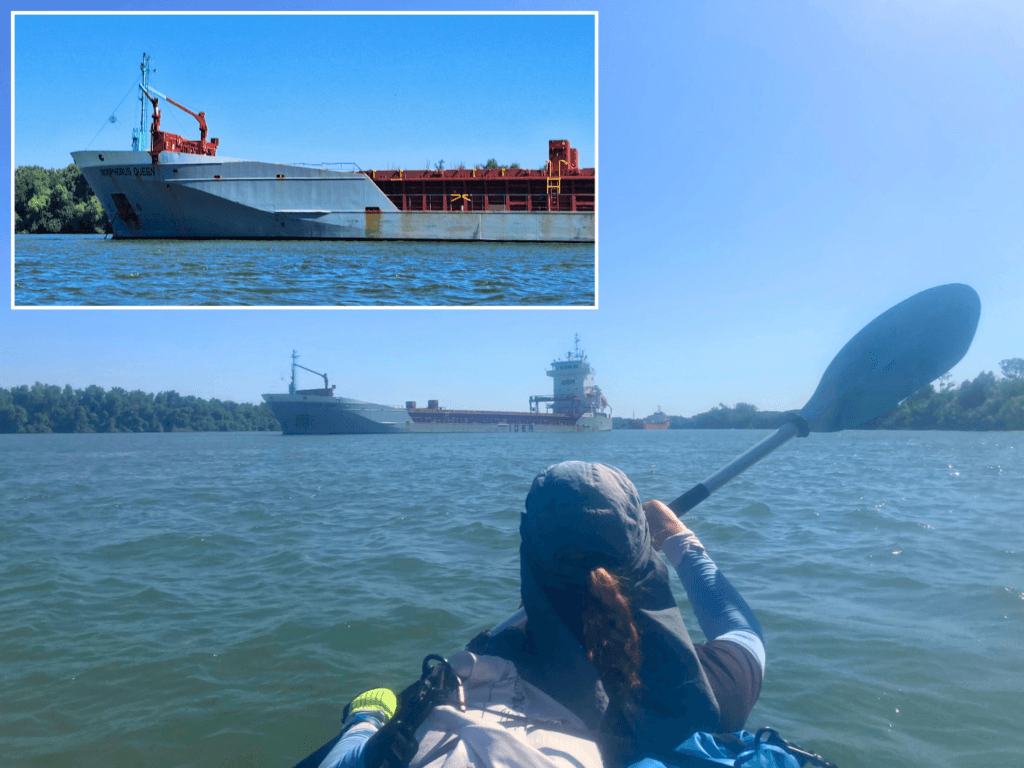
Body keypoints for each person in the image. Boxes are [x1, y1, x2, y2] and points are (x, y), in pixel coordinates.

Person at [310, 461, 766, 768]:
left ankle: (363, 717)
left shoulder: (475, 675)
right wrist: (678, 539)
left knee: (364, 739)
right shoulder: (706, 687)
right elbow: (743, 632)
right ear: (644, 563)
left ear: (528, 560)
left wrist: (366, 723)